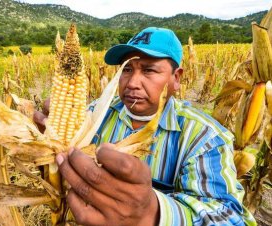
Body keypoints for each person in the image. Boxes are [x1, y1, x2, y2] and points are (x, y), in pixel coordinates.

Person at [34, 27, 256, 226]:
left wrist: (153, 213)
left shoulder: (204, 137)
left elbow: (232, 218)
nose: (132, 83)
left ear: (176, 78)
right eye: (127, 69)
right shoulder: (95, 115)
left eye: (149, 70)